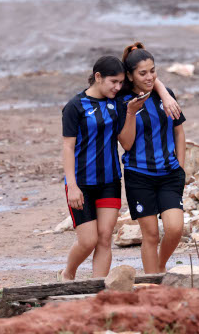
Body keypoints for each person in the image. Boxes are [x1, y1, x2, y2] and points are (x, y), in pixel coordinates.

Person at [58, 55, 138, 281]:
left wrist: (131, 111)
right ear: (98, 77)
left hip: (110, 181)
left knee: (104, 238)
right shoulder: (75, 106)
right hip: (81, 183)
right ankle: (67, 274)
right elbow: (67, 147)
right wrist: (71, 186)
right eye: (113, 81)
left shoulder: (119, 102)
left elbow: (127, 142)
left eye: (121, 82)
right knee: (87, 241)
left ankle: (98, 290)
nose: (118, 87)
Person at [117, 42, 187, 274]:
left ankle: (160, 265)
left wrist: (181, 168)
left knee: (175, 229)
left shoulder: (165, 95)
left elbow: (179, 131)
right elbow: (125, 144)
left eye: (153, 71)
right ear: (130, 75)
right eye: (143, 73)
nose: (149, 77)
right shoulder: (122, 101)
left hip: (169, 174)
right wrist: (130, 112)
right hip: (139, 176)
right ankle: (152, 282)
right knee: (151, 235)